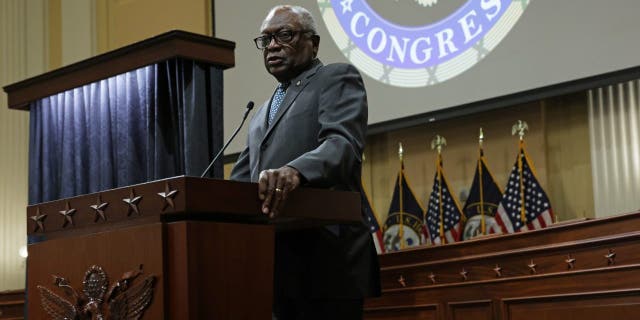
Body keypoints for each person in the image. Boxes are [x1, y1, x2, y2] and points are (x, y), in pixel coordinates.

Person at [229, 4, 380, 320]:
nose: (272, 45)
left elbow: (342, 145)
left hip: (327, 259)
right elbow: (241, 182)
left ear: (314, 43)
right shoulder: (259, 115)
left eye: (285, 35)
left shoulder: (335, 78)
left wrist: (296, 170)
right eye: (266, 39)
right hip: (275, 265)